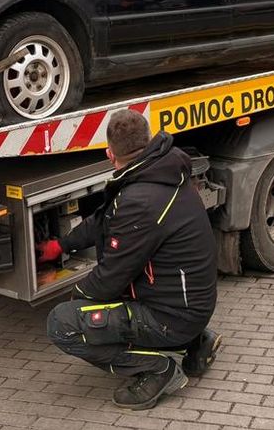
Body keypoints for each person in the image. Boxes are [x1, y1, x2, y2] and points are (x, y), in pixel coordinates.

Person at [40, 109, 220, 410]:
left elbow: (112, 276)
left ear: (109, 153)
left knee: (62, 323)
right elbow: (104, 220)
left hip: (173, 318)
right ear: (148, 142)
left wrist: (77, 301)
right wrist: (61, 245)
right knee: (101, 306)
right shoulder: (162, 173)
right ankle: (196, 342)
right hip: (191, 307)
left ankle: (158, 370)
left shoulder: (140, 199)